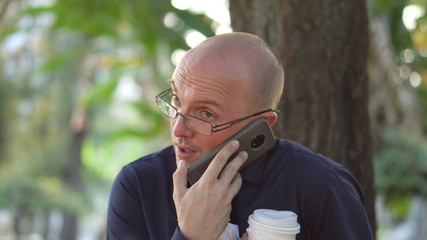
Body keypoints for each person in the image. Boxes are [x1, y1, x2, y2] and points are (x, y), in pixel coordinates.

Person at [107, 32, 374, 240]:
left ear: (260, 125)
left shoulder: (321, 186)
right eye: (176, 100)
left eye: (206, 114)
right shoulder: (140, 186)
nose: (178, 129)